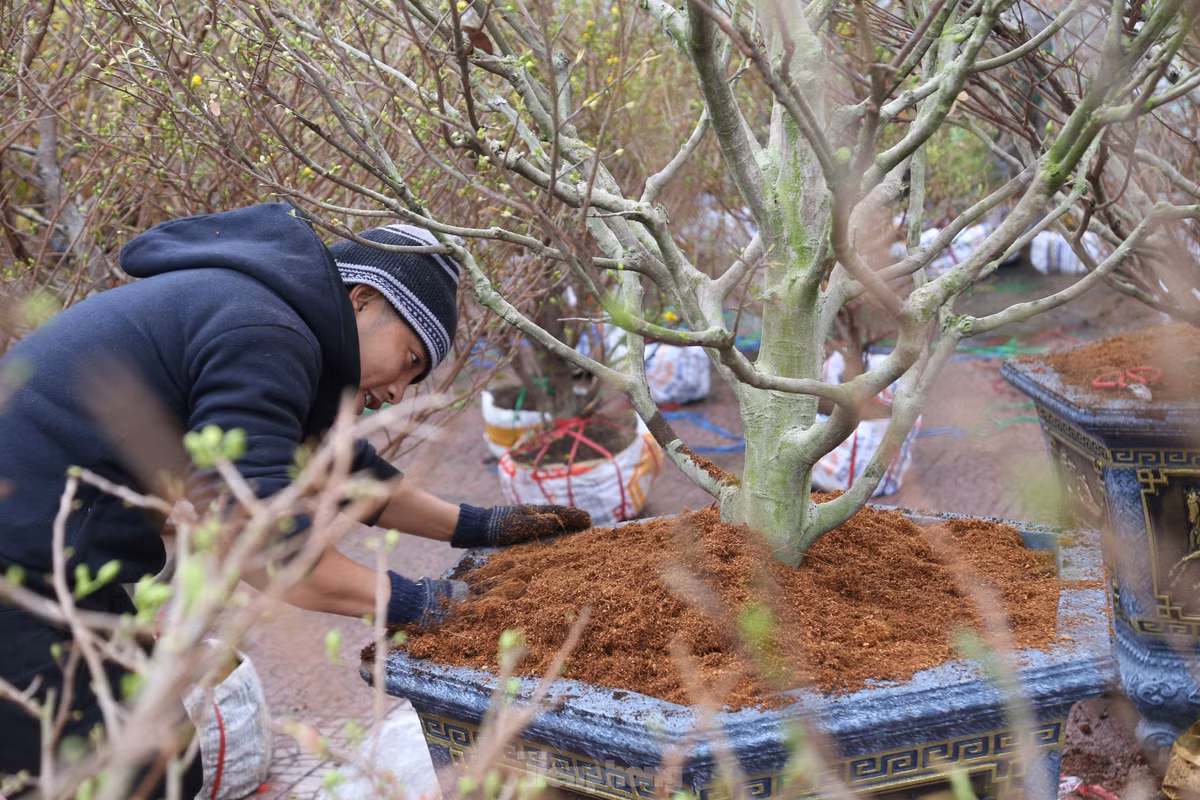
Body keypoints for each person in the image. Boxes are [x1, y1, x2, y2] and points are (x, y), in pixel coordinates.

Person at [0, 203, 591, 796]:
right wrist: (428, 605)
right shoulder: (263, 332)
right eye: (409, 361)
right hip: (17, 574)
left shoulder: (263, 318)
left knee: (162, 763)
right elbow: (264, 547)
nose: (396, 393)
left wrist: (483, 525)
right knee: (122, 778)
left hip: (45, 561)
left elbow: (338, 470)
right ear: (362, 300)